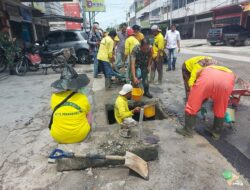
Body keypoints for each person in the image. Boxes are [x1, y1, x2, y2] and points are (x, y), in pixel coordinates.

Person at [176, 65, 235, 140]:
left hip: (206, 81)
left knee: (192, 105)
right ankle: (216, 133)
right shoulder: (226, 71)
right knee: (221, 108)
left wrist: (195, 96)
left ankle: (188, 131)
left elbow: (193, 84)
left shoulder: (200, 70)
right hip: (227, 82)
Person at [49, 65, 92, 144]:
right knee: (89, 112)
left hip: (58, 136)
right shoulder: (82, 97)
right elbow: (87, 114)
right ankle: (86, 129)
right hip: (80, 135)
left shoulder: (54, 97)